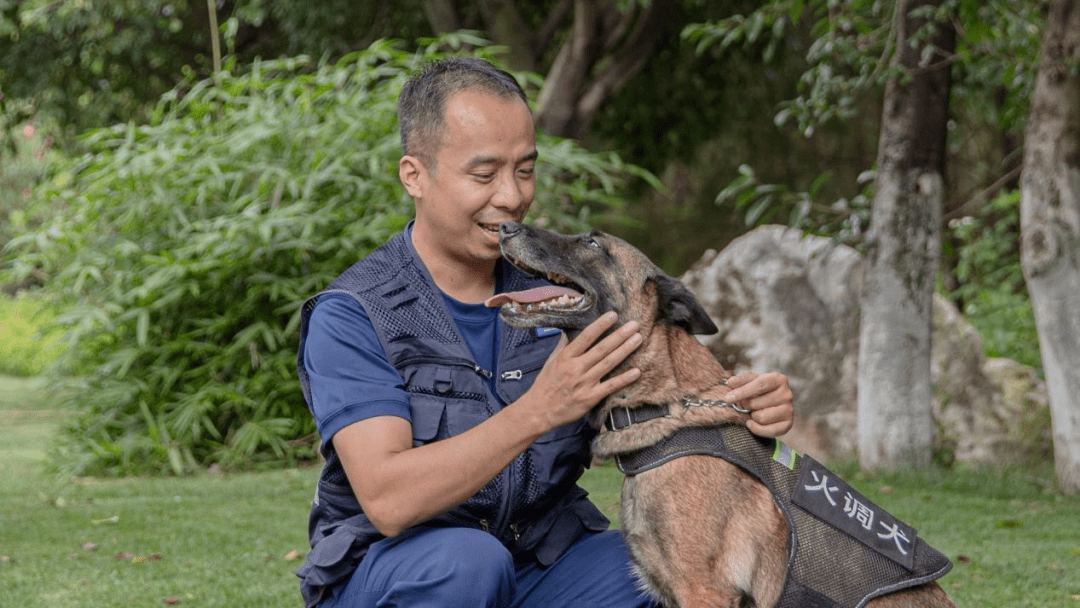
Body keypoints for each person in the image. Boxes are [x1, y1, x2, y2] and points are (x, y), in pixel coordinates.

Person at [294, 57, 795, 608]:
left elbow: (667, 395)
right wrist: (538, 409)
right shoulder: (353, 314)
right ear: (415, 175)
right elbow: (389, 500)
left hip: (540, 564)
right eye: (483, 175)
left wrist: (746, 406)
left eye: (525, 170)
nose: (511, 196)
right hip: (403, 572)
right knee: (466, 565)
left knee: (671, 572)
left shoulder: (564, 293)